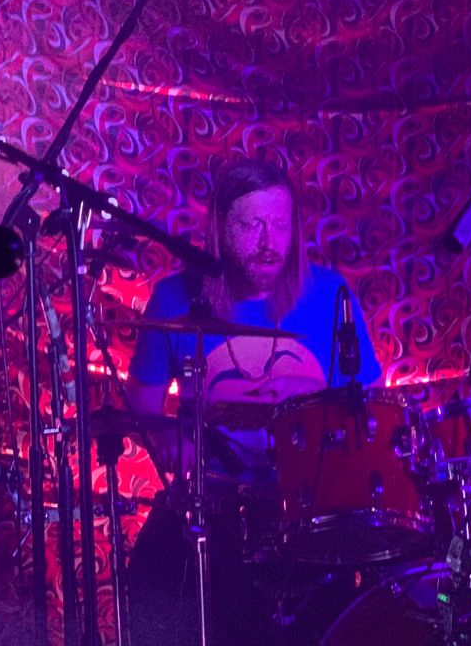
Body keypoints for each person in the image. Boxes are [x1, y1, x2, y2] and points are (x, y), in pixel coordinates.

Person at [123, 155, 380, 645]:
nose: (269, 242)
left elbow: (364, 408)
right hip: (214, 505)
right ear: (220, 228)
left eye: (280, 225)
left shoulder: (331, 294)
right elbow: (141, 404)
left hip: (308, 507)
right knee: (153, 580)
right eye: (252, 225)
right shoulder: (173, 298)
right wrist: (170, 440)